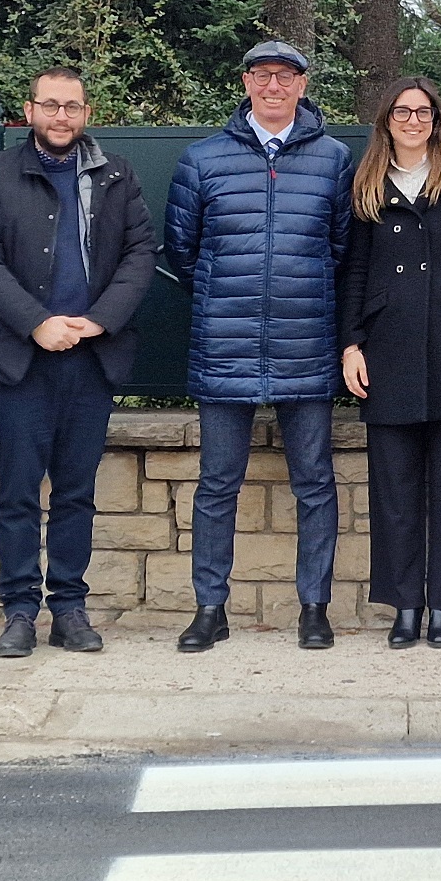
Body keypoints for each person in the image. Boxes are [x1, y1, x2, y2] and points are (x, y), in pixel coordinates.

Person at [0, 67, 156, 658]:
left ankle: (69, 608)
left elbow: (140, 254)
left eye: (72, 106)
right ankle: (18, 610)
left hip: (91, 358)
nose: (61, 116)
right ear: (30, 110)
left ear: (86, 113)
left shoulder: (116, 176)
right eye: (50, 105)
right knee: (18, 492)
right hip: (18, 358)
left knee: (76, 492)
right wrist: (36, 323)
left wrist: (97, 321)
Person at [166, 41, 353, 652]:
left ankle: (314, 607)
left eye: (286, 76)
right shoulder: (203, 160)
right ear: (246, 82)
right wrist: (230, 295)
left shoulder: (334, 160)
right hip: (225, 343)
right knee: (217, 484)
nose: (274, 86)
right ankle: (209, 609)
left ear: (302, 85)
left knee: (315, 484)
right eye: (262, 75)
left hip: (308, 342)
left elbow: (344, 249)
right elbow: (182, 252)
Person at [339, 78, 441, 649]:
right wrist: (351, 343)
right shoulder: (366, 183)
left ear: (437, 118)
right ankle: (404, 605)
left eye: (424, 111)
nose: (413, 120)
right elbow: (355, 273)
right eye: (402, 111)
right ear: (386, 119)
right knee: (394, 489)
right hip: (388, 353)